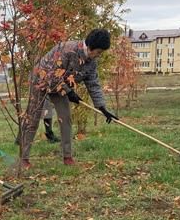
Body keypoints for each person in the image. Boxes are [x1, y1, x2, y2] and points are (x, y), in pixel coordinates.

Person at [34, 29, 118, 165]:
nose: (98, 56)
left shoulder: (91, 62)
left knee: (65, 118)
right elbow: (52, 74)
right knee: (33, 118)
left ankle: (67, 157)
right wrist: (69, 92)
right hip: (41, 80)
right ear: (90, 47)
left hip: (60, 87)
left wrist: (102, 108)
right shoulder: (68, 49)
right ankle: (24, 158)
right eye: (98, 52)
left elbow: (94, 84)